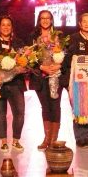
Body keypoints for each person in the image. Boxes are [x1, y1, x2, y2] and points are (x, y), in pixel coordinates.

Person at [0, 15, 27, 153]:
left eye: (8, 25)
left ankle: (16, 141)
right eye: (3, 25)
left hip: (16, 83)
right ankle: (3, 142)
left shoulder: (19, 42)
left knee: (20, 112)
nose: (6, 27)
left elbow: (25, 62)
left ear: (12, 27)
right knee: (0, 113)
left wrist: (23, 68)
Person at [29, 10, 64, 150]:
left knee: (55, 107)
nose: (45, 20)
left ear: (51, 20)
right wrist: (42, 67)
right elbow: (29, 57)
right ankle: (46, 138)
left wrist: (58, 64)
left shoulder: (58, 36)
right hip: (40, 77)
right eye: (42, 18)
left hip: (56, 76)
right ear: (39, 20)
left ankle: (54, 139)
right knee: (45, 107)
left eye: (48, 18)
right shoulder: (33, 36)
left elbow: (65, 54)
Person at [63, 13, 88, 148]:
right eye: (84, 21)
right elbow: (66, 57)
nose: (86, 24)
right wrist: (78, 58)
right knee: (79, 107)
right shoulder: (73, 38)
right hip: (77, 80)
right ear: (79, 24)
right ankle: (79, 137)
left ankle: (86, 136)